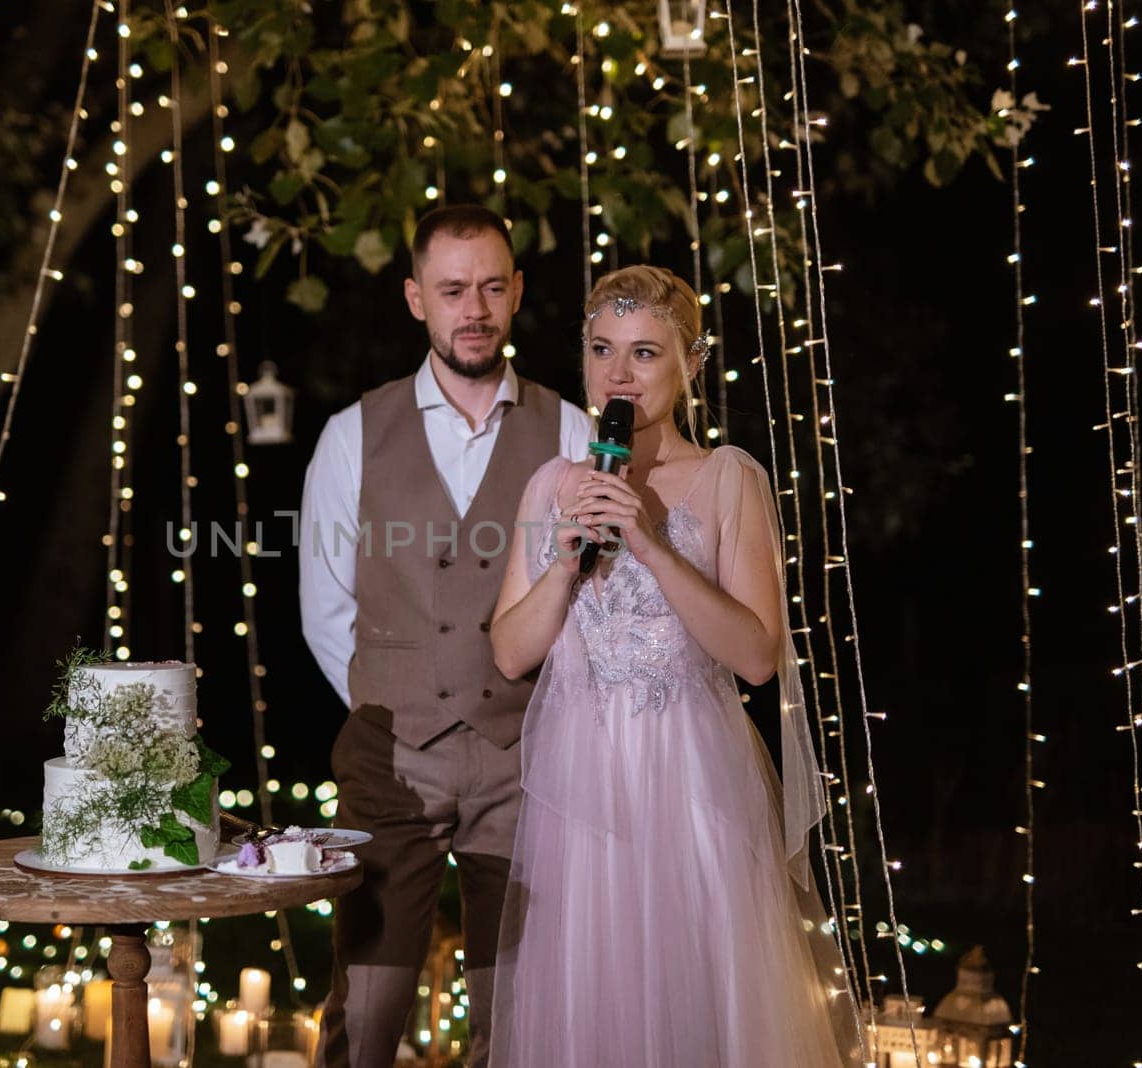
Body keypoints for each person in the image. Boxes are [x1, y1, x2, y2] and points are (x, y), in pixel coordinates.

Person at [487, 265, 862, 1066]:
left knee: (701, 996)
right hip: (583, 791)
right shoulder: (553, 484)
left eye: (646, 352)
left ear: (691, 365)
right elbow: (512, 651)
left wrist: (653, 547)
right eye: (602, 349)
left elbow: (758, 657)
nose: (618, 374)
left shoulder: (729, 478)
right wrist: (561, 566)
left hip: (691, 780)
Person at [299, 204, 594, 1068]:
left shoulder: (570, 430)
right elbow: (326, 610)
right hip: (392, 765)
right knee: (366, 1009)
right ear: (416, 299)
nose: (475, 308)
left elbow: (587, 600)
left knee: (515, 1018)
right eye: (453, 289)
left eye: (492, 288)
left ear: (518, 294)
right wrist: (398, 707)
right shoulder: (352, 434)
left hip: (528, 760)